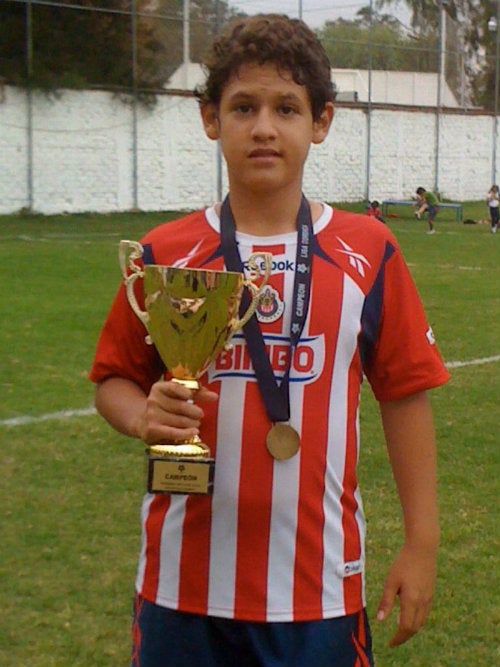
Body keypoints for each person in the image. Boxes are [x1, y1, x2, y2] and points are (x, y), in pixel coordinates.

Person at [89, 14, 450, 667]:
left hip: (316, 591)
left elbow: (405, 394)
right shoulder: (164, 255)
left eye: (286, 108)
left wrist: (421, 541)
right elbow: (113, 376)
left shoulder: (367, 251)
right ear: (210, 119)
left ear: (321, 122)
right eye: (243, 107)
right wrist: (141, 414)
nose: (263, 126)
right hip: (181, 587)